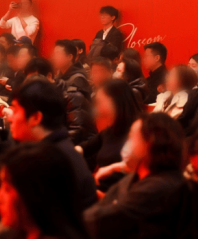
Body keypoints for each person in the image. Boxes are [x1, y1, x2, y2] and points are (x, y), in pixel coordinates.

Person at [85, 113, 193, 239]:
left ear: (150, 143)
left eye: (132, 138)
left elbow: (101, 220)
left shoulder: (163, 185)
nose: (126, 144)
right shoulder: (133, 179)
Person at [8, 79, 97, 209]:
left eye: (15, 110)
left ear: (36, 117)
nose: (10, 118)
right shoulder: (54, 148)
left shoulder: (52, 162)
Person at [79, 79, 142, 191]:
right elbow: (84, 148)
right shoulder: (109, 131)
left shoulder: (139, 133)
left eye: (100, 102)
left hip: (120, 195)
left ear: (116, 102)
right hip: (102, 191)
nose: (97, 108)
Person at [52, 39, 96, 144]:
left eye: (58, 54)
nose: (54, 57)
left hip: (81, 141)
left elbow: (77, 125)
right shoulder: (60, 76)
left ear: (70, 57)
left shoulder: (78, 79)